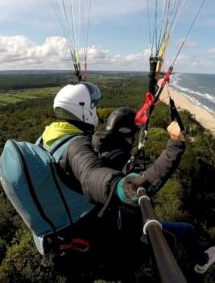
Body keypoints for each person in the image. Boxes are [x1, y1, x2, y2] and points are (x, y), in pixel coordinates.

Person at [41, 82, 190, 279]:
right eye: (92, 106)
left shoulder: (53, 138)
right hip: (109, 245)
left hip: (78, 237)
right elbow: (91, 176)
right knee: (177, 239)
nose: (95, 111)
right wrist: (122, 186)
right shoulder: (78, 148)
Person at [93, 106, 215, 274]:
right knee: (187, 231)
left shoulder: (100, 151)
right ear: (127, 134)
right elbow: (140, 186)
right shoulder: (116, 159)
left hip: (111, 228)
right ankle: (201, 262)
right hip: (127, 232)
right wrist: (175, 146)